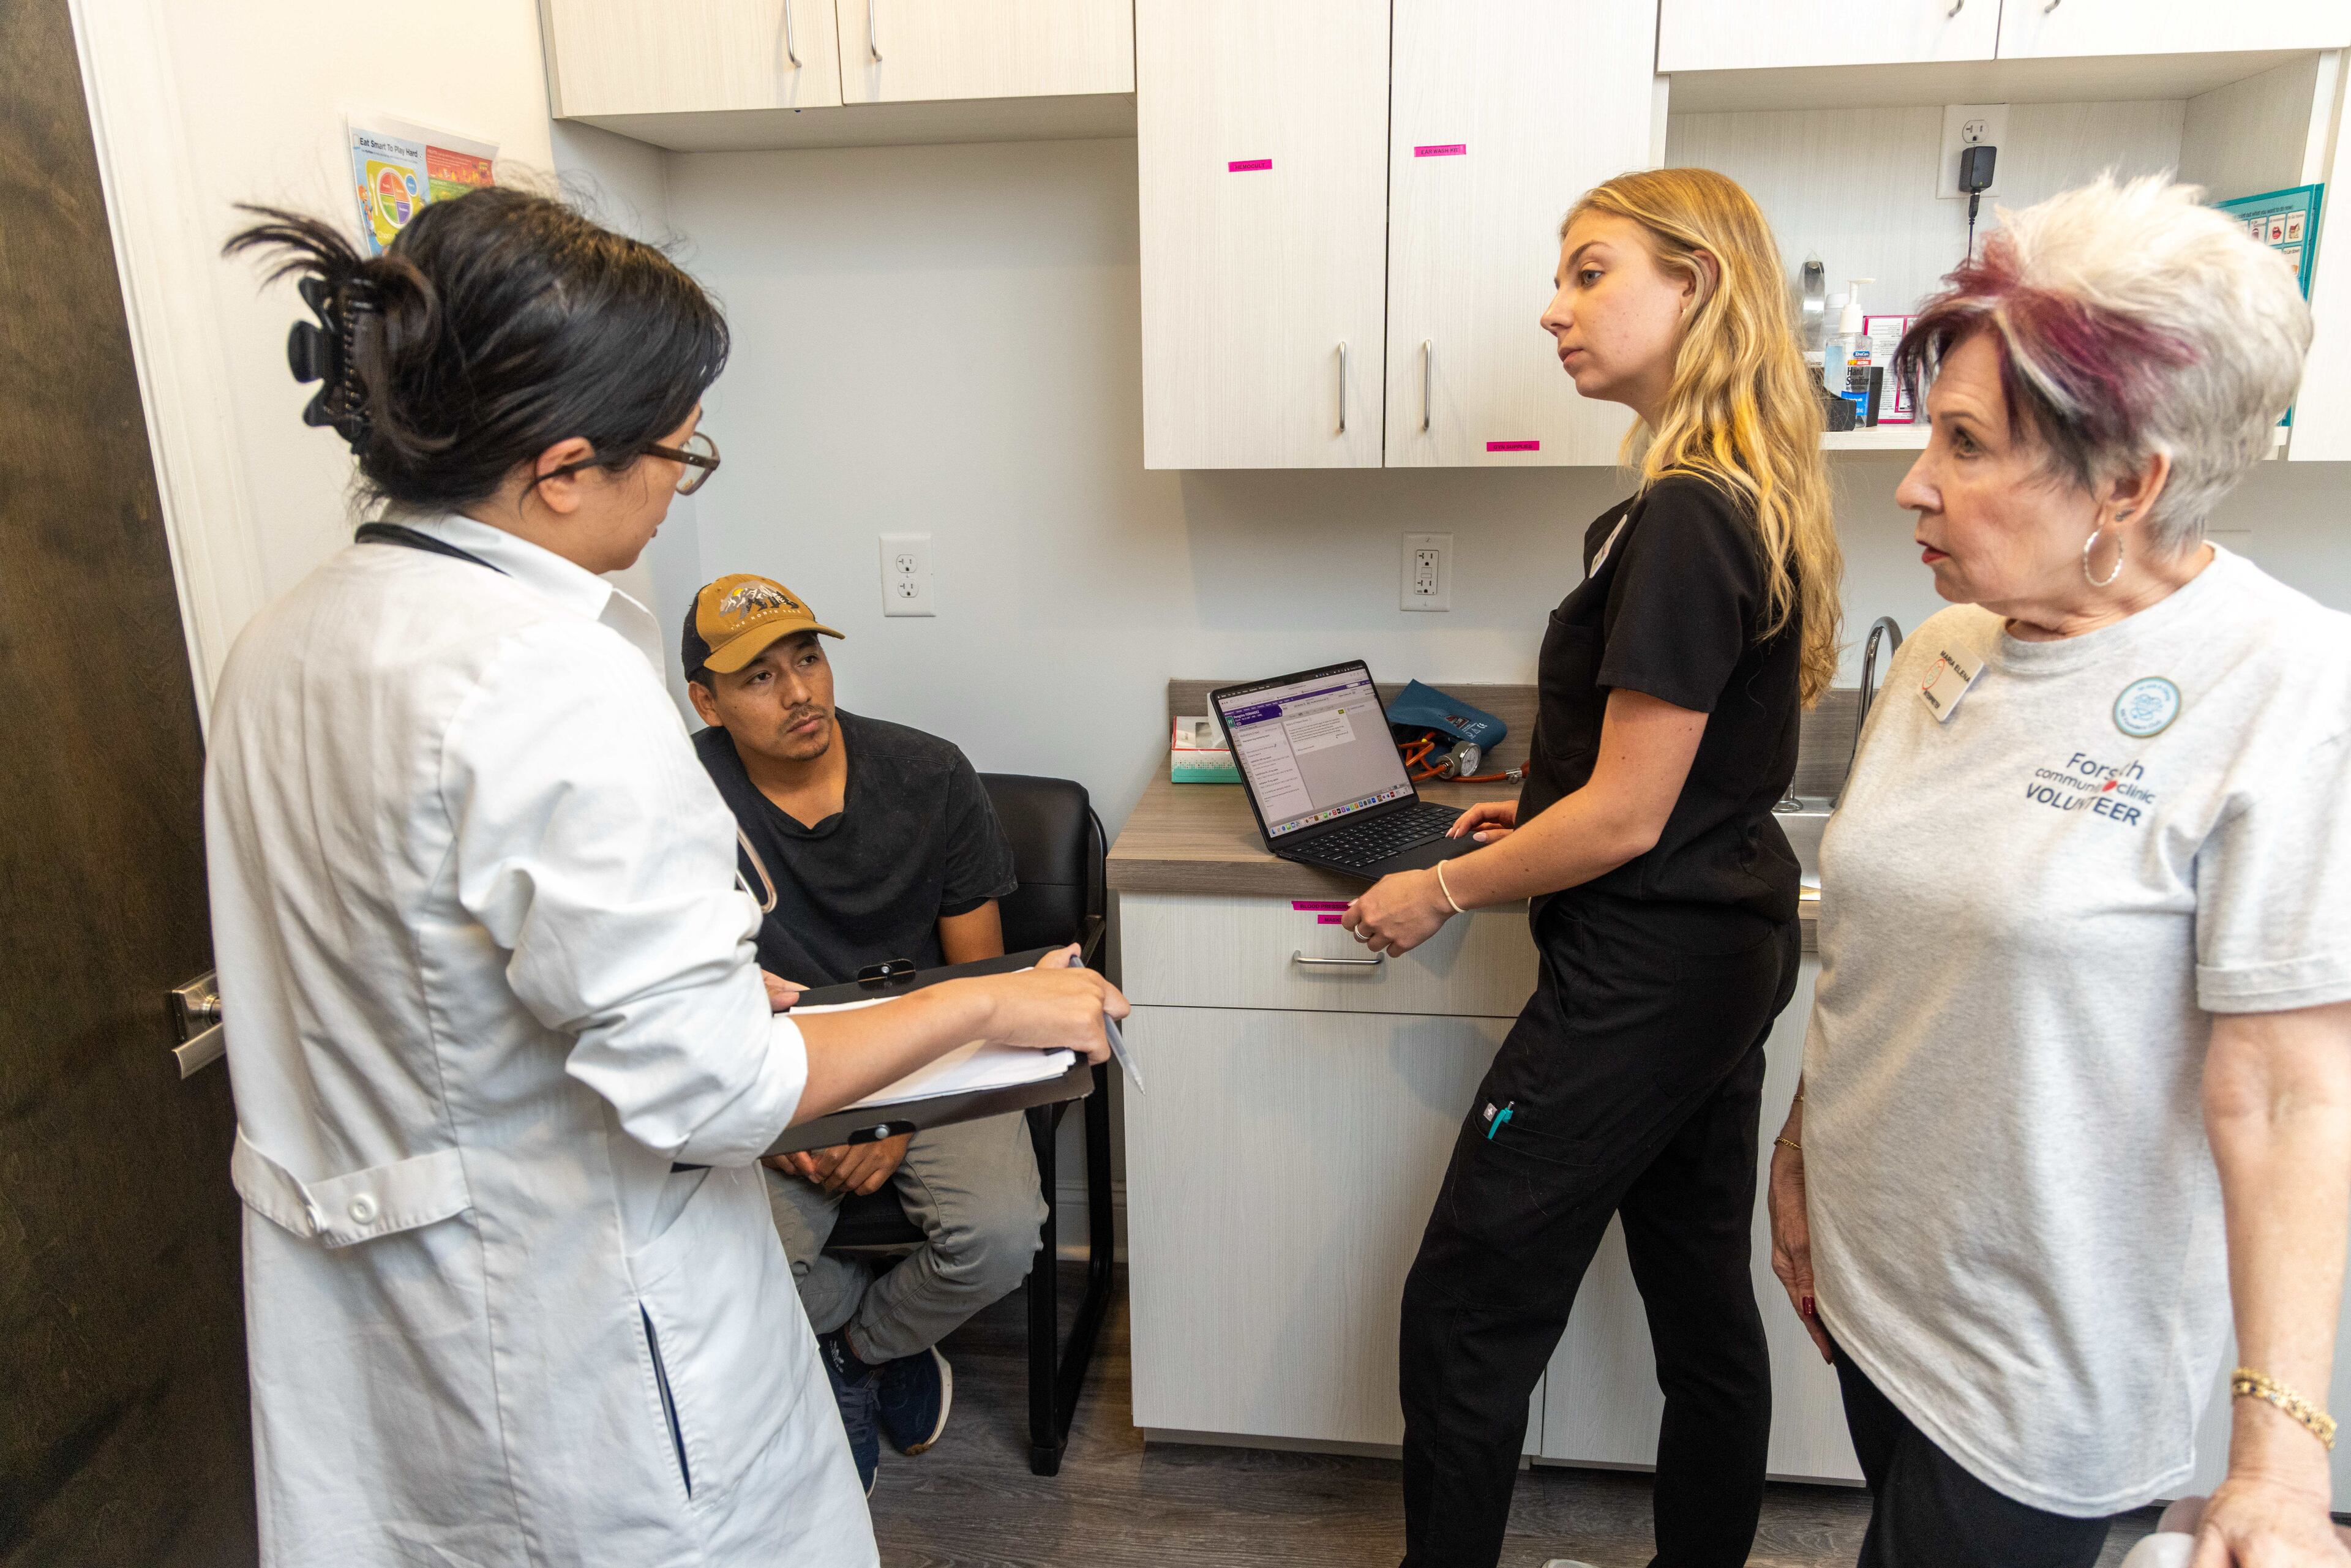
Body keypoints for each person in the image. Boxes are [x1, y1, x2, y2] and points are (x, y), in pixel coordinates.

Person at [208, 190, 1125, 1568]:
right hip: (590, 1357)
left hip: (398, 1334)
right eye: (679, 460)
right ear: (567, 467)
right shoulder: (554, 675)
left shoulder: (288, 638)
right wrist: (992, 1012)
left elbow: (424, 971)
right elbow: (714, 1094)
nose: (673, 493)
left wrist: (695, 990)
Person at [1764, 174, 2351, 1568]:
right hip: (1871, 1287)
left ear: (2131, 483)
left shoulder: (2287, 684)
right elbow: (1883, 943)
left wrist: (2276, 1456)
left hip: (2045, 1364)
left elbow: (2286, 1090)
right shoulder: (1946, 646)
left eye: (1965, 444)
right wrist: (1800, 1150)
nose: (1913, 481)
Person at [1343, 167, 1843, 1568]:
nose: (1552, 308)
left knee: (1463, 1308)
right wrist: (1536, 806)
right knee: (1698, 1299)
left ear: (1694, 287)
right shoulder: (1717, 496)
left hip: (1645, 972)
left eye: (1589, 271)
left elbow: (1629, 818)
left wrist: (1432, 886)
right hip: (1716, 954)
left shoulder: (1688, 511)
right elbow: (1667, 771)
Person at [678, 571, 1046, 1490]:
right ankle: (860, 1347)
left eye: (808, 658)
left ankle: (858, 1351)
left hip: (934, 1049)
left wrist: (894, 1121)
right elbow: (680, 993)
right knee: (726, 1254)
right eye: (759, 677)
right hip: (775, 1065)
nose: (801, 691)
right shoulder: (674, 796)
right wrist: (773, 1128)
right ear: (706, 700)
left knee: (1002, 1236)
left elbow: (978, 985)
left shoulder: (929, 775)